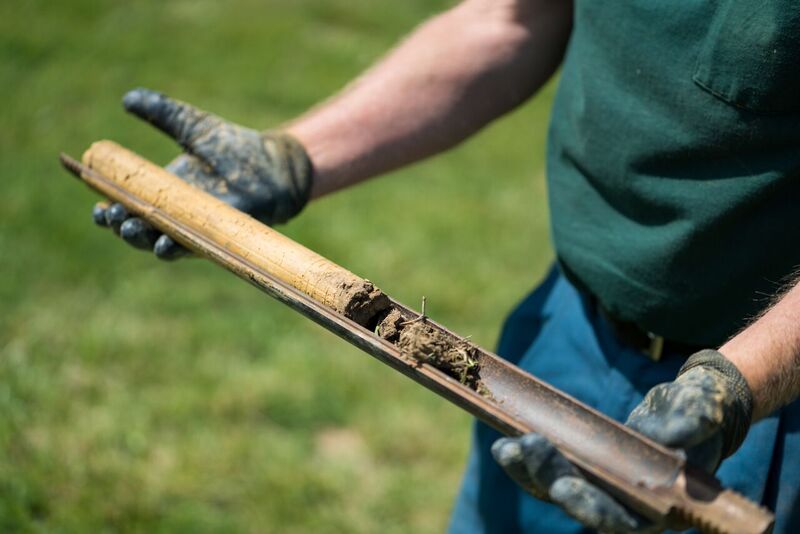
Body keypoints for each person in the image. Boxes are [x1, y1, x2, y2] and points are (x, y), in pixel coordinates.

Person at [91, 1, 800, 532]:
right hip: (566, 343)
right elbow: (511, 22)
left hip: (768, 401)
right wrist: (294, 159)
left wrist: (736, 387)